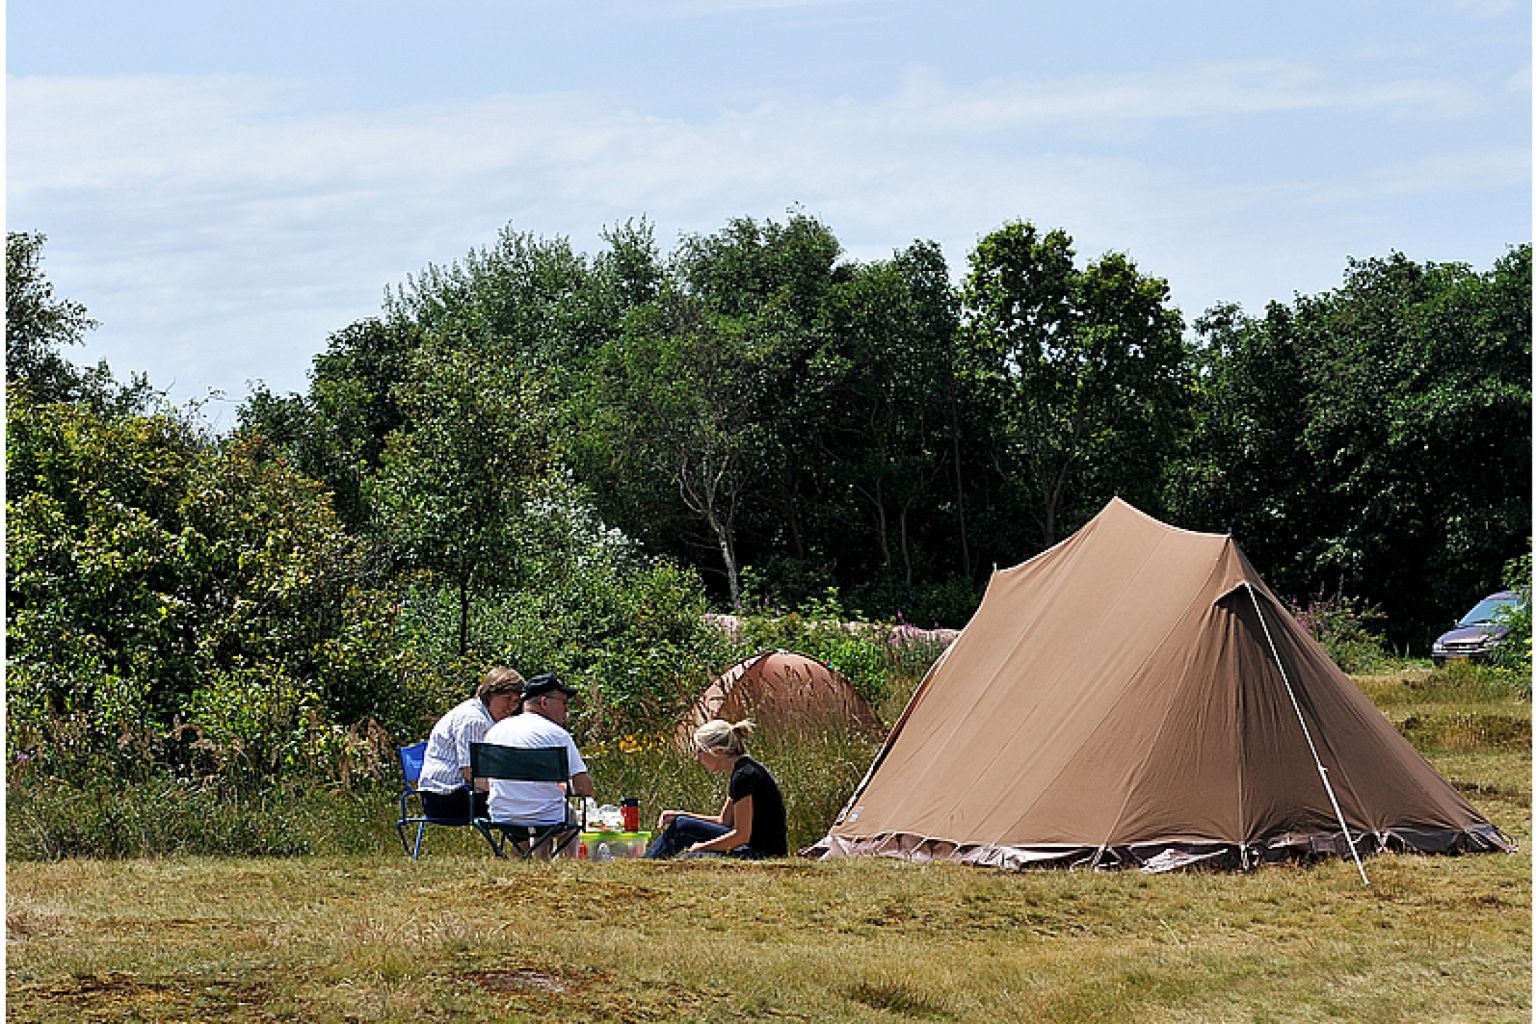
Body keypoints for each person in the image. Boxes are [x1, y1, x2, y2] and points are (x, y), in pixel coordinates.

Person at [482, 673, 595, 856]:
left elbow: (483, 781)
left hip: (502, 814)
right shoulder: (557, 735)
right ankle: (567, 870)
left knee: (545, 809)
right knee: (568, 814)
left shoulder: (495, 731)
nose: (566, 710)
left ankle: (525, 862)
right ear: (544, 702)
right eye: (564, 703)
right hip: (547, 817)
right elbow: (585, 787)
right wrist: (571, 789)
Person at [645, 718, 788, 859]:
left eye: (700, 751)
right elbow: (724, 821)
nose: (697, 758)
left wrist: (702, 847)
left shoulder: (744, 776)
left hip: (761, 852)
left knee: (687, 846)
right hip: (753, 847)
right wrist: (681, 814)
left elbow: (741, 835)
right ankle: (649, 864)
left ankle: (647, 865)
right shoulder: (743, 770)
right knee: (682, 824)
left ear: (718, 751)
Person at [417, 666, 525, 820]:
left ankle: (529, 844)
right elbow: (471, 774)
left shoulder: (486, 717)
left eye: (515, 702)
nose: (511, 707)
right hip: (445, 797)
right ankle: (533, 844)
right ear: (490, 695)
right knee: (524, 806)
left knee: (524, 803)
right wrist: (512, 790)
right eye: (507, 699)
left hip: (457, 793)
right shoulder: (474, 720)